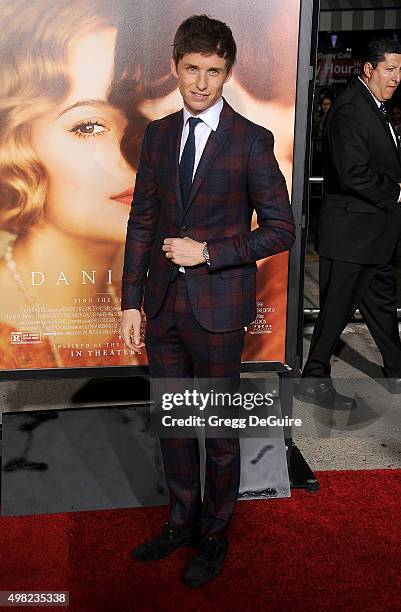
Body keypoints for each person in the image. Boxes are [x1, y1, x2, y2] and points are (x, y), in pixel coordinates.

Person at [120, 14, 295, 587]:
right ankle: (180, 521)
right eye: (191, 69)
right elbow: (142, 223)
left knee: (217, 430)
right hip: (164, 305)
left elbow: (280, 230)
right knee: (174, 424)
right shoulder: (159, 135)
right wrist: (130, 302)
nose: (200, 82)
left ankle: (215, 532)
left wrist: (209, 253)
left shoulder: (250, 140)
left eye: (213, 71)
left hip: (218, 309)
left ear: (228, 72)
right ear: (175, 66)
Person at [0, 0, 159, 369]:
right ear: (14, 142)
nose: (137, 153)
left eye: (153, 122)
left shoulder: (151, 305)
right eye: (89, 126)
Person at [296, 38, 401, 408]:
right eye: (390, 69)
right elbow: (353, 172)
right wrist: (398, 193)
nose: (397, 77)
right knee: (336, 311)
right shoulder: (351, 109)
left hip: (374, 234)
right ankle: (313, 379)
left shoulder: (376, 108)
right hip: (351, 235)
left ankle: (396, 371)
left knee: (382, 308)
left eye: (400, 70)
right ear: (368, 70)